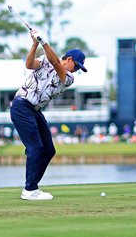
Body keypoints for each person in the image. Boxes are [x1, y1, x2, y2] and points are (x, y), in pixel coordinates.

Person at [10, 28, 87, 201]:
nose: (77, 70)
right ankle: (29, 189)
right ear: (69, 59)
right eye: (77, 66)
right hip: (21, 105)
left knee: (49, 150)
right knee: (36, 147)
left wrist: (44, 42)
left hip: (35, 110)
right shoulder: (46, 60)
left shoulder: (68, 78)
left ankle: (32, 186)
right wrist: (35, 44)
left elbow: (55, 64)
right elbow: (29, 65)